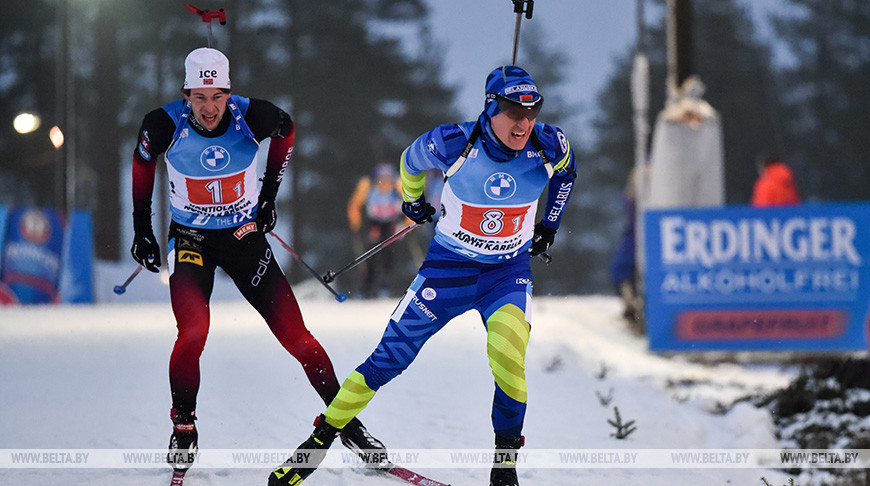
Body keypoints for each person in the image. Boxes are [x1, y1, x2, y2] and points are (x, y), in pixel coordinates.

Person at [269, 65, 577, 486]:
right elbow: (409, 161)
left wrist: (549, 226)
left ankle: (504, 468)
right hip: (448, 270)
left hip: (505, 273)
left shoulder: (548, 143)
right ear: (491, 107)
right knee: (387, 360)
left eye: (532, 111)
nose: (524, 122)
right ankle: (316, 445)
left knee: (508, 358)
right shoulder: (453, 142)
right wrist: (413, 204)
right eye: (512, 110)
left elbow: (566, 174)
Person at [129, 47, 385, 475]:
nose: (209, 108)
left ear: (229, 92)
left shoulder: (255, 116)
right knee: (193, 333)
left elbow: (287, 133)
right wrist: (141, 229)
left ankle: (347, 423)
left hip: (244, 238)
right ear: (186, 93)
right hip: (191, 240)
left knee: (299, 339)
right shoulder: (163, 124)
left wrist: (267, 198)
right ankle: (184, 426)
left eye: (217, 97)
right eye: (199, 97)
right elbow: (140, 166)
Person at [346, 163, 407, 297]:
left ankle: (385, 285)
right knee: (371, 253)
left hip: (392, 223)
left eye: (387, 180)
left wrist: (408, 223)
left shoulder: (397, 187)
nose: (384, 184)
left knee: (388, 254)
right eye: (381, 180)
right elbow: (355, 205)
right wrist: (355, 223)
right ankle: (366, 286)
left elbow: (410, 203)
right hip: (375, 223)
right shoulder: (368, 187)